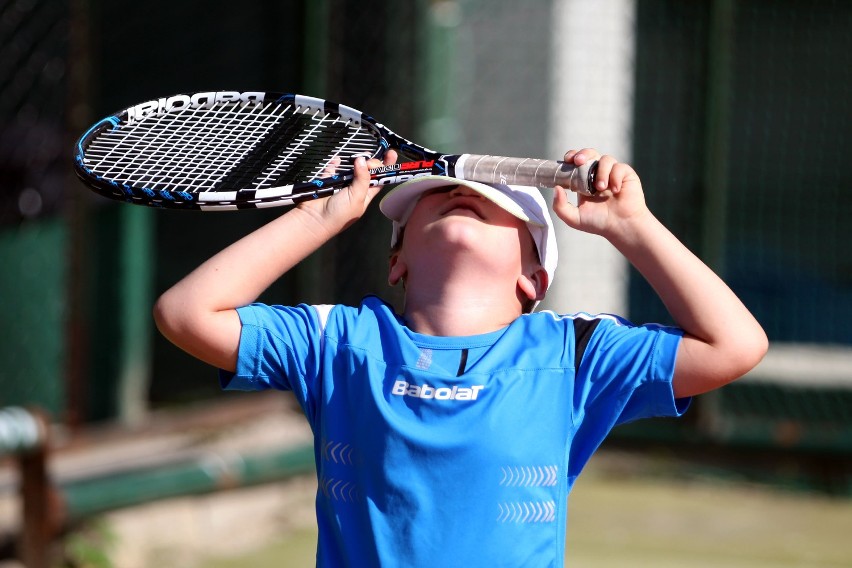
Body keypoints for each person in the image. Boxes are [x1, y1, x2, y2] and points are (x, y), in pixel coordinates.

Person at [153, 148, 767, 567]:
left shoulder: (574, 354)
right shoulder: (337, 343)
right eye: (437, 193)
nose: (459, 194)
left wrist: (631, 226)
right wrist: (315, 217)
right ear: (396, 261)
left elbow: (735, 346)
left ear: (534, 275)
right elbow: (186, 315)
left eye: (494, 201)